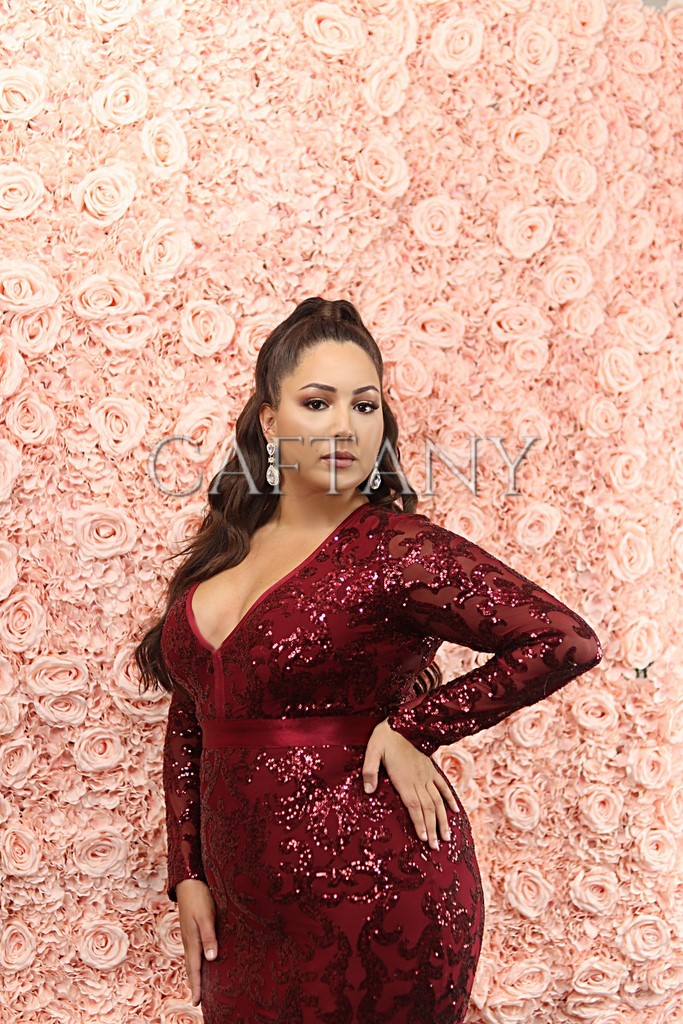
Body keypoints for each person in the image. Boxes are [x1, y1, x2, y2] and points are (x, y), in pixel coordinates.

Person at [134, 297, 603, 1023]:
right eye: (317, 403)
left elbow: (562, 640)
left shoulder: (395, 548)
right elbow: (191, 719)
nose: (344, 427)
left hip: (380, 893)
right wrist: (188, 872)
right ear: (269, 420)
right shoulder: (224, 554)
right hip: (241, 914)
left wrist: (416, 727)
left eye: (365, 405)